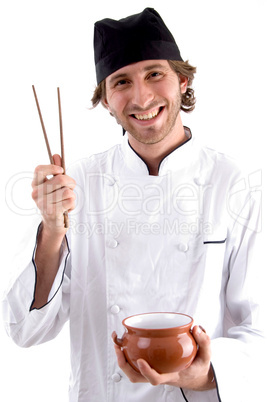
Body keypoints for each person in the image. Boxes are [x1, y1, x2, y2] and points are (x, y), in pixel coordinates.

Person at [2, 8, 266, 402]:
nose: (141, 97)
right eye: (122, 81)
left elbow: (259, 333)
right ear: (106, 100)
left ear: (182, 80)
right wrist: (53, 232)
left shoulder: (236, 184)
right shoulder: (77, 185)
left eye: (155, 74)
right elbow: (26, 330)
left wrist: (197, 376)